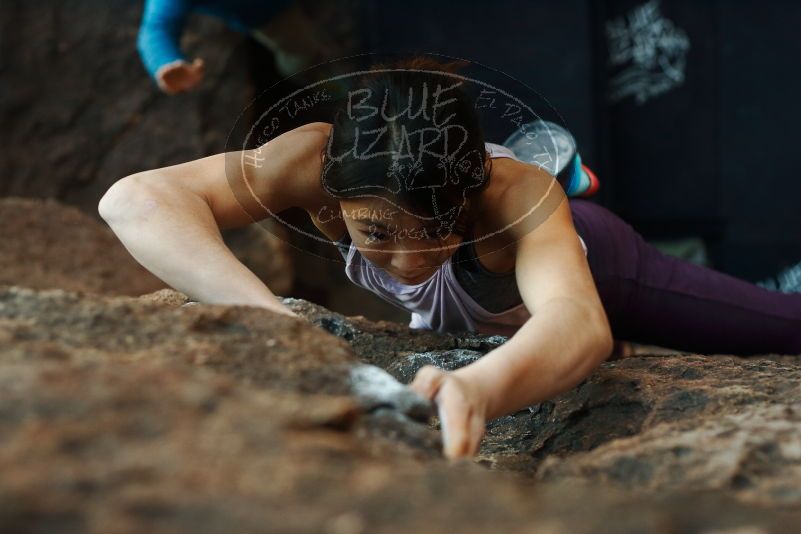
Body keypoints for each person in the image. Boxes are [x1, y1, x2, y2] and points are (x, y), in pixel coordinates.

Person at [98, 57, 801, 461]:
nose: (407, 260)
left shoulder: (511, 193)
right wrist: (266, 319)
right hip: (493, 311)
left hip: (600, 268)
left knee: (782, 326)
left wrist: (481, 388)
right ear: (330, 201)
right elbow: (134, 201)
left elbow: (574, 320)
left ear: (471, 195)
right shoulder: (309, 162)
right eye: (377, 232)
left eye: (435, 228)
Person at [136, 0, 346, 94]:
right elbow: (156, 29)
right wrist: (164, 61)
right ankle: (314, 79)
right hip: (270, 17)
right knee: (300, 51)